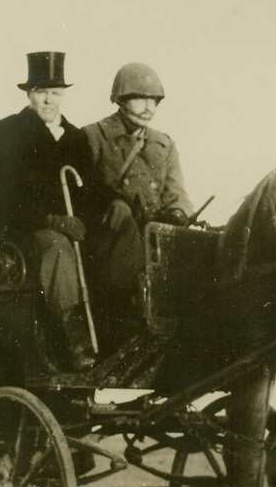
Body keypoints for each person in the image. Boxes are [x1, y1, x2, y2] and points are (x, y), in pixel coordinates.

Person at [0, 51, 104, 371]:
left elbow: (93, 189)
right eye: (41, 92)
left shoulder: (76, 138)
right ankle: (76, 341)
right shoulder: (7, 131)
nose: (48, 100)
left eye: (55, 93)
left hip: (69, 228)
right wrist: (51, 220)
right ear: (29, 95)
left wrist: (115, 205)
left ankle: (111, 333)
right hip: (22, 231)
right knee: (56, 248)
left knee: (98, 248)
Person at [82, 62, 194, 339]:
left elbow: (177, 194)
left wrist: (178, 214)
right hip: (107, 238)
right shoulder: (92, 137)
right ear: (119, 99)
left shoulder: (163, 144)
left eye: (154, 100)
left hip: (151, 236)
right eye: (140, 98)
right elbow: (83, 194)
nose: (149, 107)